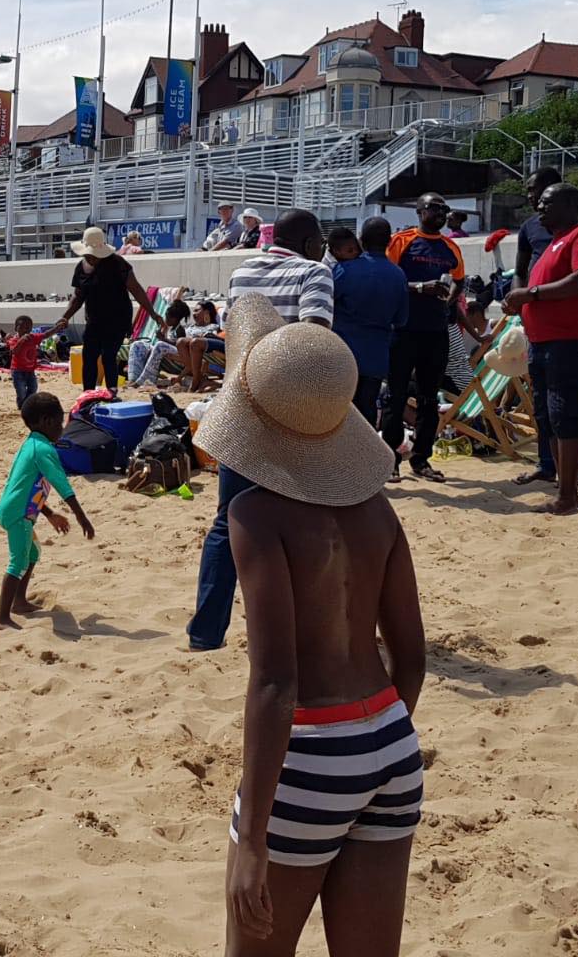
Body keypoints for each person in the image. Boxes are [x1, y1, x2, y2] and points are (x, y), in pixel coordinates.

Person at [190, 294, 425, 957]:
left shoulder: (257, 515)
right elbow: (411, 657)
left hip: (312, 750)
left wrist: (254, 842)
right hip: (390, 742)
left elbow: (275, 680)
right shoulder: (378, 512)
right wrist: (375, 740)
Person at [189, 208, 334, 653]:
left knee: (230, 520)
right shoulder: (315, 273)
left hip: (240, 405)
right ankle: (294, 634)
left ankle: (205, 634)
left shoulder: (243, 272)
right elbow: (312, 341)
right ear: (310, 243)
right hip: (289, 411)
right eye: (321, 241)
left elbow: (241, 335)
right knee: (301, 519)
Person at [502, 184, 578, 515]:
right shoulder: (553, 243)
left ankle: (568, 494)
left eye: (548, 204)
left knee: (567, 415)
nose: (540, 210)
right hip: (544, 342)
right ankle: (563, 489)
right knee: (548, 416)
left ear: (570, 205)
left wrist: (531, 294)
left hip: (571, 341)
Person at [0, 391, 95, 630]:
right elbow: (62, 484)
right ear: (47, 421)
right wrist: (81, 516)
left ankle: (19, 601)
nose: (61, 428)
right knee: (18, 561)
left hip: (20, 510)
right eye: (59, 422)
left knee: (33, 554)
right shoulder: (42, 450)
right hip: (17, 515)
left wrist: (50, 514)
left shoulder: (32, 444)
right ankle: (1, 616)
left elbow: (29, 487)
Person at [383, 193, 466, 482]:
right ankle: (390, 460)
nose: (441, 213)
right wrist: (421, 287)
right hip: (403, 330)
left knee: (429, 399)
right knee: (396, 396)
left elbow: (460, 279)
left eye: (445, 209)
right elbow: (389, 281)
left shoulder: (450, 247)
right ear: (419, 211)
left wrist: (450, 303)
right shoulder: (401, 242)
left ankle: (421, 460)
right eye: (435, 208)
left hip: (435, 331)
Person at [54, 227, 159, 397]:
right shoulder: (81, 268)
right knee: (89, 356)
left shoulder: (118, 264)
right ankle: (87, 394)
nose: (90, 258)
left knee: (108, 356)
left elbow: (136, 290)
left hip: (117, 319)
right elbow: (78, 296)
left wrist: (153, 314)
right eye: (87, 255)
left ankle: (112, 392)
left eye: (92, 255)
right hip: (94, 319)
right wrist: (65, 316)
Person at [331, 217, 409, 426]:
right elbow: (401, 320)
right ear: (389, 241)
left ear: (361, 240)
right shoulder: (398, 275)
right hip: (376, 357)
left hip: (342, 356)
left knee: (338, 415)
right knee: (366, 415)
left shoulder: (343, 270)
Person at [127, 301, 190, 389]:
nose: (165, 319)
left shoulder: (180, 330)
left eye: (167, 317)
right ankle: (133, 378)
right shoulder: (171, 329)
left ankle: (146, 379)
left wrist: (163, 339)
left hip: (179, 358)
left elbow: (180, 345)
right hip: (168, 354)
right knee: (138, 345)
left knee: (160, 345)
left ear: (174, 319)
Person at [173, 300, 226, 393]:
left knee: (195, 342)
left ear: (206, 312)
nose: (194, 313)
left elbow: (215, 336)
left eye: (197, 310)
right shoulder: (189, 327)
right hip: (194, 348)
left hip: (212, 344)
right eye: (194, 311)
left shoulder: (213, 326)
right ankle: (200, 379)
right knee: (180, 341)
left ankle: (196, 380)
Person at [6, 314, 56, 410]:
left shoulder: (33, 338)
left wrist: (57, 328)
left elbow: (45, 335)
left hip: (30, 370)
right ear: (16, 328)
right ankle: (22, 406)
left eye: (28, 327)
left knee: (33, 388)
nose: (26, 329)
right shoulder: (14, 340)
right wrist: (21, 341)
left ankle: (28, 405)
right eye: (23, 327)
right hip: (17, 371)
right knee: (21, 391)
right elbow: (14, 351)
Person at [441, 301, 489, 396]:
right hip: (470, 382)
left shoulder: (441, 333)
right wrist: (479, 338)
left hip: (459, 386)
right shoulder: (453, 328)